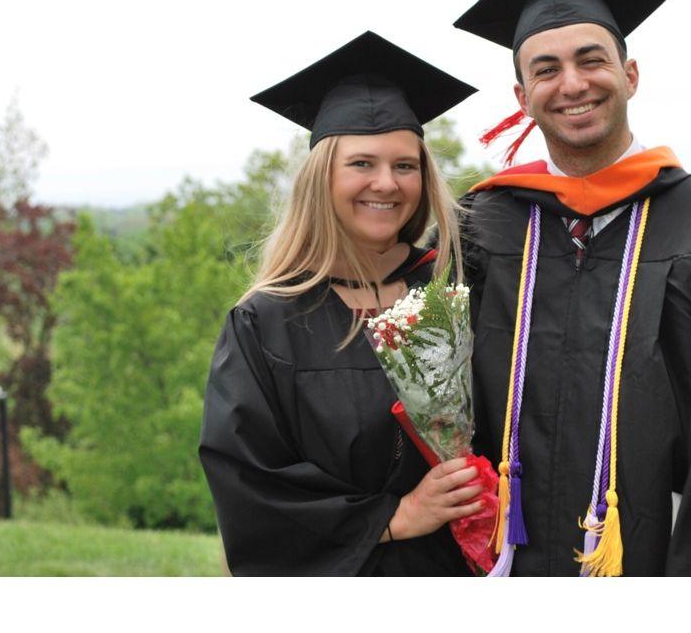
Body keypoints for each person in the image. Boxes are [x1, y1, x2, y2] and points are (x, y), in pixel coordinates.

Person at [453, 0, 691, 576]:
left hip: (651, 551)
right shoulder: (481, 225)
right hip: (507, 558)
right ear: (520, 96)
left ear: (630, 75)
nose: (572, 84)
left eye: (591, 60)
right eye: (546, 69)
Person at [198, 31, 486, 576]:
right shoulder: (268, 322)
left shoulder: (453, 290)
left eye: (405, 165)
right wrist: (396, 516)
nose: (387, 183)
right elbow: (248, 484)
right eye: (361, 163)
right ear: (321, 176)